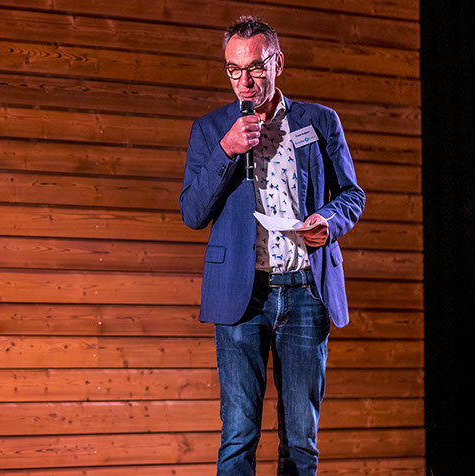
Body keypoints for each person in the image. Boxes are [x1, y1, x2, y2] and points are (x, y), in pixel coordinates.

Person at [179, 16, 366, 475]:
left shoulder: (319, 121)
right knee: (238, 436)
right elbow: (192, 213)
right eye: (233, 70)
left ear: (277, 63)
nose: (244, 81)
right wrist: (226, 150)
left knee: (300, 441)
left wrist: (327, 220)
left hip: (304, 292)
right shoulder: (211, 129)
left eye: (255, 68)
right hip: (242, 295)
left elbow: (352, 195)